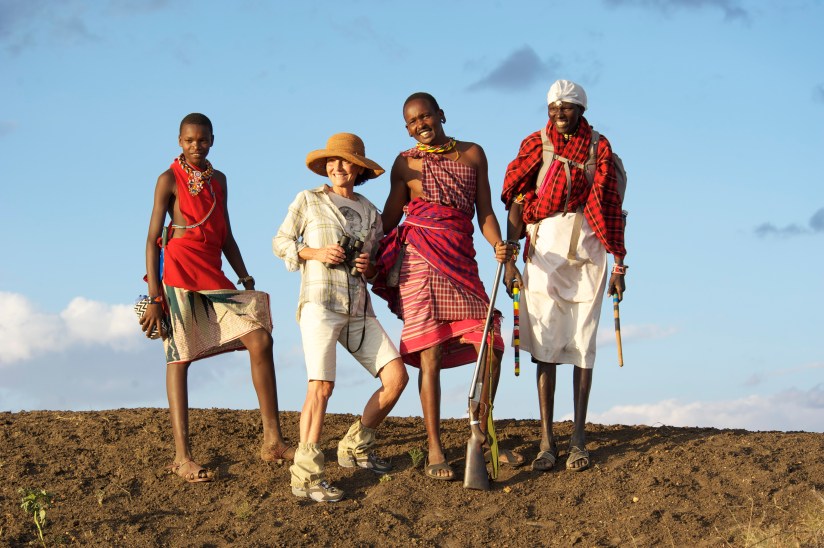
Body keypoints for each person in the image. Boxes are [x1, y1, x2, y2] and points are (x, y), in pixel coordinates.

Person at [373, 92, 521, 481]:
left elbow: (484, 211)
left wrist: (498, 245)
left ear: (441, 114)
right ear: (407, 128)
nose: (420, 124)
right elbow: (389, 216)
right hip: (419, 259)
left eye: (425, 116)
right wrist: (358, 238)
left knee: (490, 343)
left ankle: (481, 433)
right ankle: (435, 447)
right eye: (412, 122)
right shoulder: (405, 163)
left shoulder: (473, 154)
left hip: (460, 258)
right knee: (431, 352)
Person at [141, 113, 294, 483]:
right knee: (180, 356)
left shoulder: (220, 180)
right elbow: (151, 239)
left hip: (212, 274)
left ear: (212, 140)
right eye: (189, 140)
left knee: (259, 338)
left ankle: (273, 441)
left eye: (203, 140)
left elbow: (225, 233)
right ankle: (182, 458)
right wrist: (155, 298)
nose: (196, 146)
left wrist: (244, 274)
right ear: (179, 141)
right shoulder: (168, 179)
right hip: (178, 271)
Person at [273, 133, 409, 503]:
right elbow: (281, 242)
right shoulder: (308, 199)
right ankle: (306, 475)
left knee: (396, 377)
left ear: (358, 169)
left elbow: (377, 265)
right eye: (332, 161)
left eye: (345, 161)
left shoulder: (371, 213)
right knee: (321, 386)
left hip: (359, 307)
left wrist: (369, 266)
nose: (337, 167)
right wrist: (316, 252)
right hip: (321, 302)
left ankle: (355, 444)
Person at [500, 80, 627, 472]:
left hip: (589, 249)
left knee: (583, 341)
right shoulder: (536, 144)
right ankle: (546, 441)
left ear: (581, 110)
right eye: (553, 106)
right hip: (544, 251)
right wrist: (510, 260)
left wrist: (619, 265)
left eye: (567, 107)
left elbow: (611, 208)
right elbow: (517, 201)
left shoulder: (599, 148)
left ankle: (578, 439)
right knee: (546, 342)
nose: (559, 113)